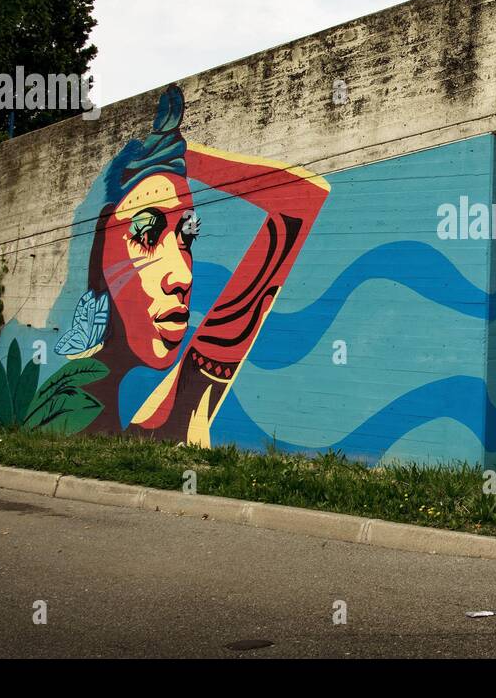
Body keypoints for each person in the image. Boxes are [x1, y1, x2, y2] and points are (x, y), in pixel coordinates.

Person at [49, 84, 329, 445]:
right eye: (147, 235)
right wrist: (168, 155)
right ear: (104, 252)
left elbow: (299, 201)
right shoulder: (63, 408)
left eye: (187, 238)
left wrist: (178, 155)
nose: (181, 275)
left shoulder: (187, 394)